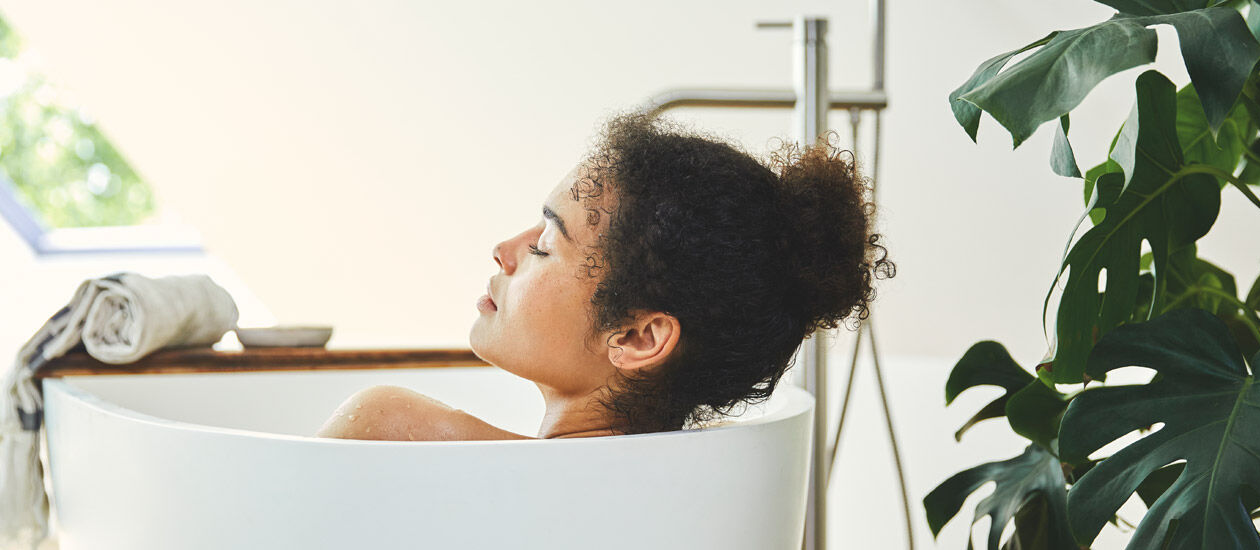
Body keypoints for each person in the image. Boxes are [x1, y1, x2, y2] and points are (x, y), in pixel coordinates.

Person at [314, 111, 894, 441]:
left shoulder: (392, 431)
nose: (503, 251)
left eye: (544, 244)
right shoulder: (686, 502)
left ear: (638, 338)